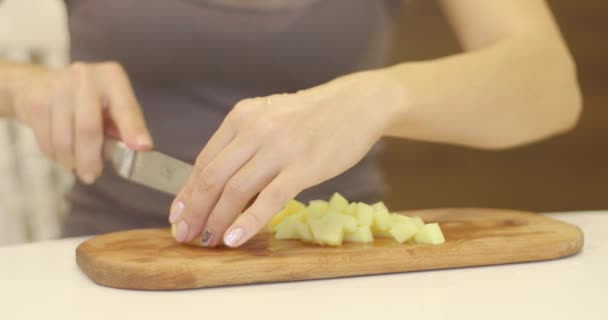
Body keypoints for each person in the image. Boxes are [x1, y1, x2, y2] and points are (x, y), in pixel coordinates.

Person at [0, 0, 581, 248]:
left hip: (329, 271)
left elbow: (550, 85)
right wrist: (25, 86)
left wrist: (378, 95)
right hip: (112, 253)